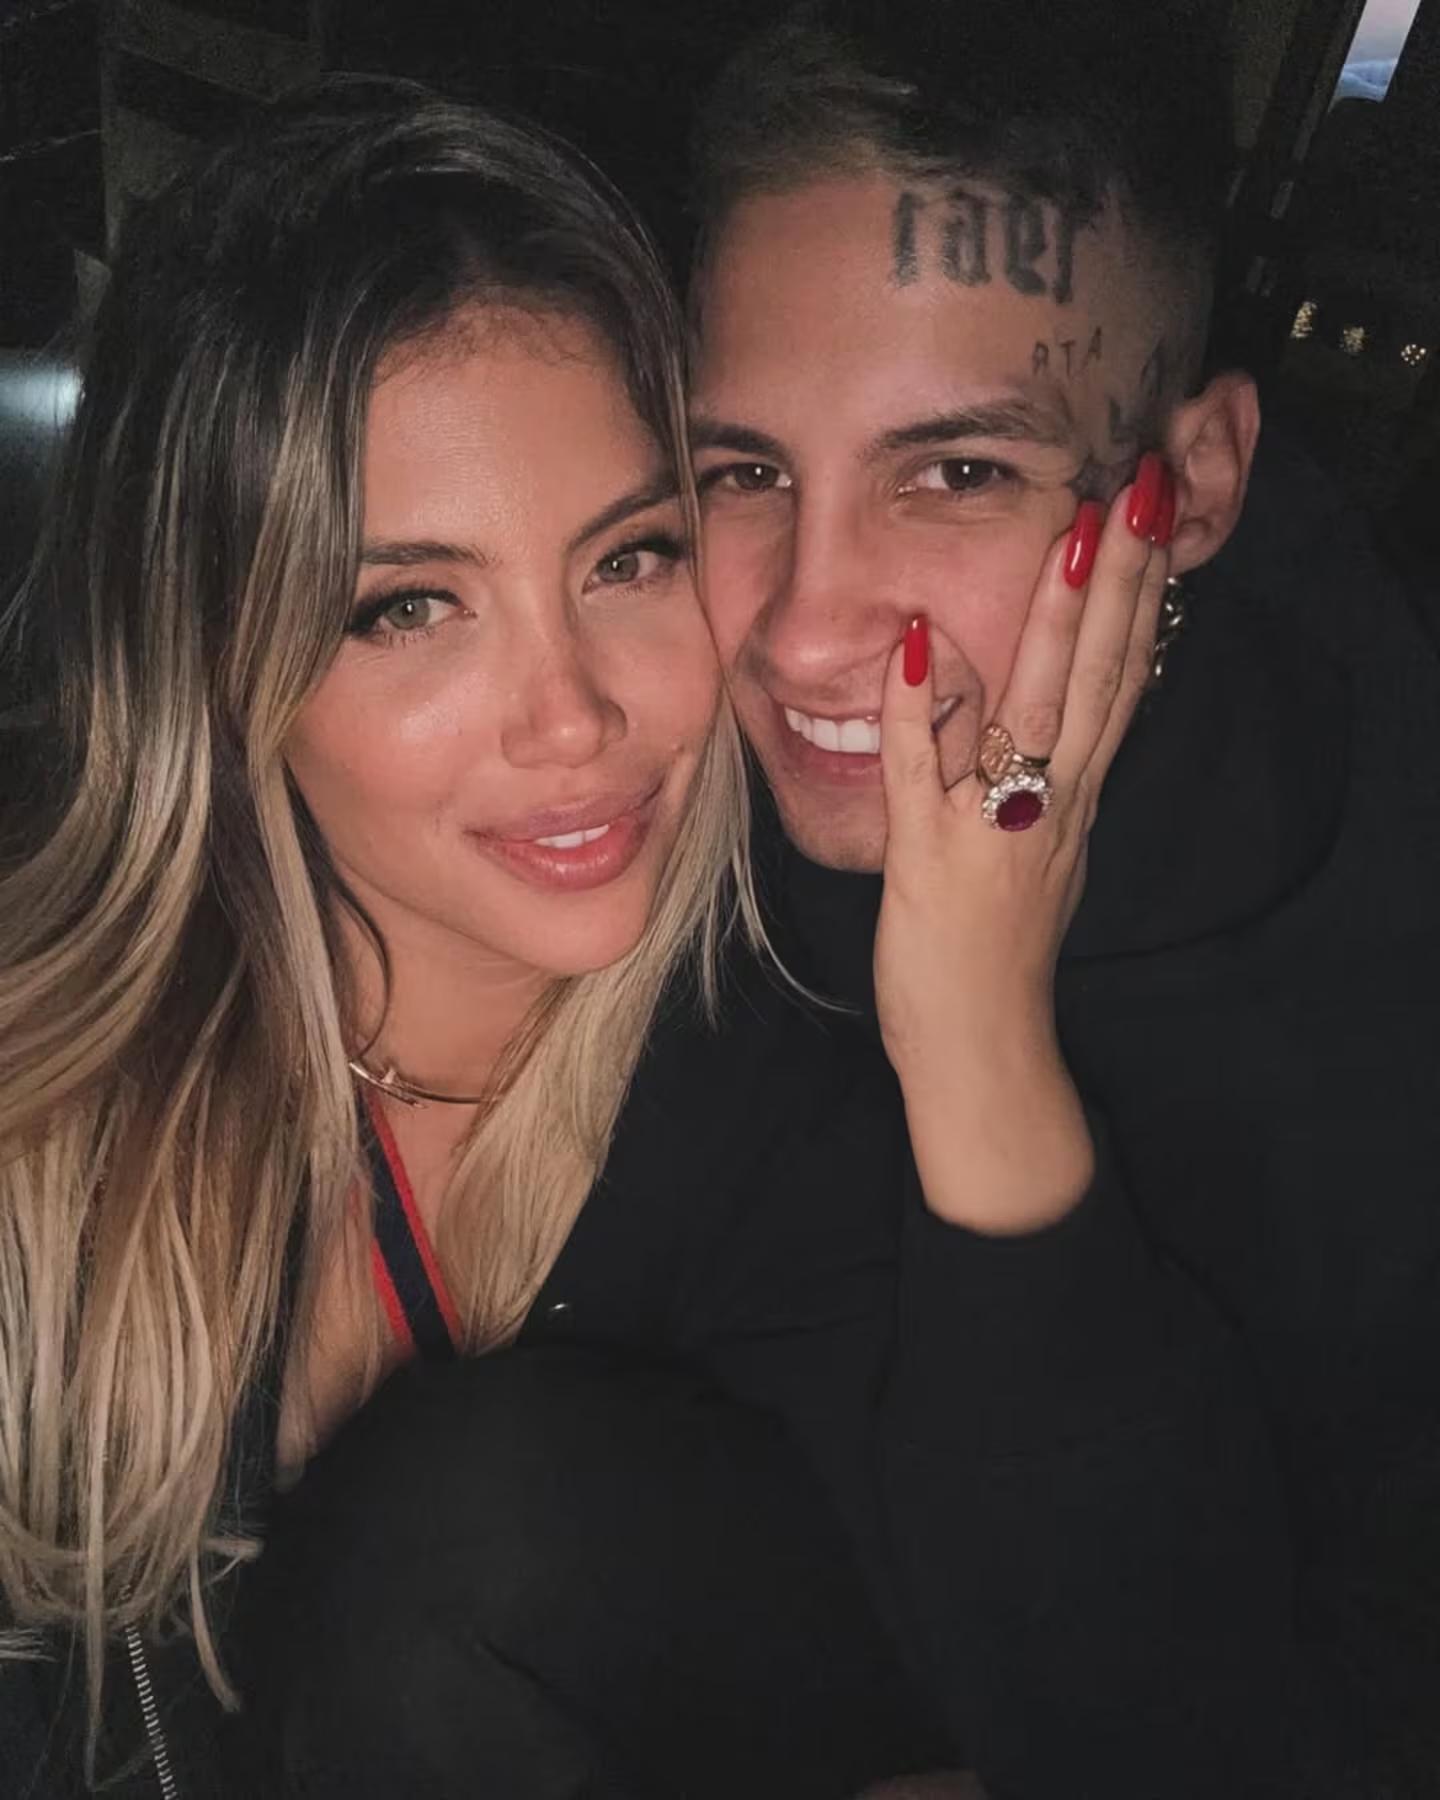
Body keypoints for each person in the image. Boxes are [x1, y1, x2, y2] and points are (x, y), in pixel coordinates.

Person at [0, 79, 1292, 1800]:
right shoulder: (52, 1100)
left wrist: (978, 1029)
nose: (575, 719)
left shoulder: (785, 1098)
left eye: (630, 559)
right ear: (216, 655)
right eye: (408, 605)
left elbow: (1132, 1707)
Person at [682, 3, 1440, 1791]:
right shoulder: (655, 716)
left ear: (1204, 482)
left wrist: (977, 1045)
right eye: (745, 472)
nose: (802, 626)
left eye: (959, 471)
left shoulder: (1380, 998)